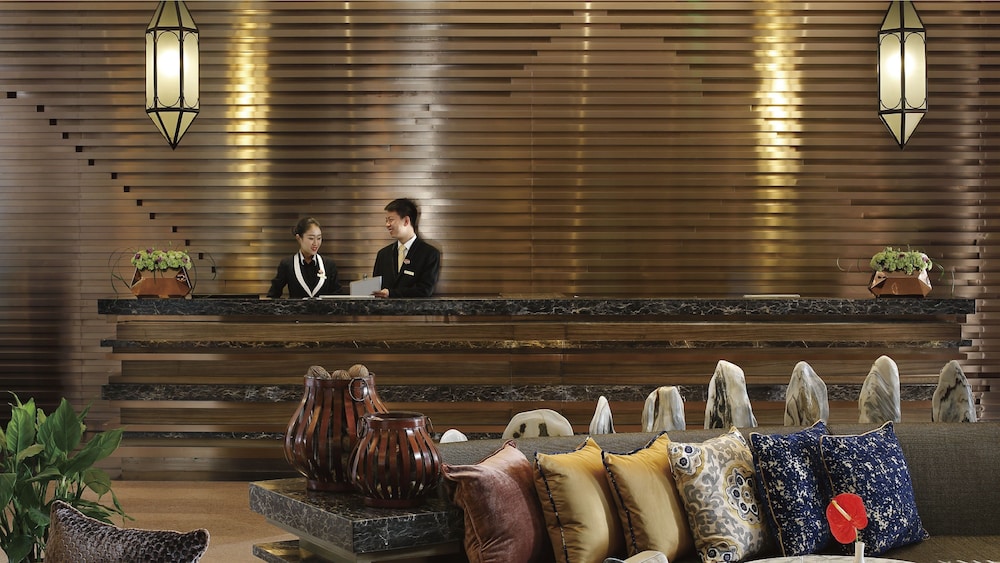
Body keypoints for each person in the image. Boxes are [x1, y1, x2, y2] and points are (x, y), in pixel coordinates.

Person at [372, 198, 440, 298]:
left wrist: (391, 293)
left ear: (406, 221)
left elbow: (425, 290)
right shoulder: (383, 254)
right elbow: (376, 288)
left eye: (391, 220)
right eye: (386, 220)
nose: (387, 224)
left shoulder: (429, 254)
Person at [267, 217, 342, 298]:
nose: (315, 243)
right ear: (299, 238)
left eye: (319, 238)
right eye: (311, 238)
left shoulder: (328, 264)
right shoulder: (287, 264)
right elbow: (273, 295)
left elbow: (338, 296)